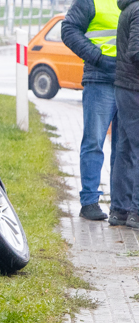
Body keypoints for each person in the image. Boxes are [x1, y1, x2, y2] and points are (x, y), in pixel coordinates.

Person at [63, 0, 121, 222]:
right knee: (94, 142)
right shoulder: (91, 1)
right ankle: (89, 202)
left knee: (124, 149)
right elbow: (68, 29)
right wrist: (97, 57)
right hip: (100, 80)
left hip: (129, 83)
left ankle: (120, 206)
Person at [112, 0, 139, 227]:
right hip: (134, 88)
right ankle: (136, 212)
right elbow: (136, 52)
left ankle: (119, 210)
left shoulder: (129, 7)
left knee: (125, 149)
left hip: (124, 87)